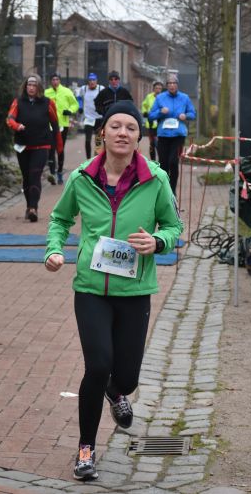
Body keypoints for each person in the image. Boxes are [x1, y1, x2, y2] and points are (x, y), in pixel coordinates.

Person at [44, 101, 183, 481]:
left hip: (135, 291)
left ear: (140, 137)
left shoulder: (156, 179)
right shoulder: (81, 178)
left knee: (128, 378)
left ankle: (116, 392)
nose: (123, 133)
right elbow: (59, 219)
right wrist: (54, 249)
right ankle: (86, 449)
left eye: (131, 128)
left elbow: (174, 226)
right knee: (98, 365)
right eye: (116, 126)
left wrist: (158, 241)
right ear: (102, 133)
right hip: (91, 288)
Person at [6, 75, 63, 222]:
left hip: (41, 144)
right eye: (29, 85)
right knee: (26, 177)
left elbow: (55, 124)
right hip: (23, 145)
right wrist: (17, 126)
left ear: (39, 87)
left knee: (35, 175)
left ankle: (33, 208)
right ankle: (29, 206)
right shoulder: (18, 102)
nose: (31, 88)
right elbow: (10, 119)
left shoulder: (48, 103)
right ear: (25, 87)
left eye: (34, 85)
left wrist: (59, 145)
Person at [149, 74, 196, 195]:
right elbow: (151, 115)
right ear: (167, 86)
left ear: (177, 85)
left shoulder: (184, 98)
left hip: (178, 135)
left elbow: (192, 114)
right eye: (169, 83)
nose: (172, 85)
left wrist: (186, 115)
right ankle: (164, 190)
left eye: (174, 83)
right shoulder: (160, 98)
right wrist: (160, 112)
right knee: (163, 163)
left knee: (173, 162)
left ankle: (172, 190)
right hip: (163, 135)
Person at [45, 73, 80, 185]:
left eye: (57, 79)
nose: (55, 81)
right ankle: (52, 173)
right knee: (51, 149)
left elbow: (75, 104)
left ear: (60, 81)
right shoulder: (46, 93)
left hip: (62, 125)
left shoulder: (67, 91)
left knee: (60, 149)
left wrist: (70, 110)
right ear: (50, 81)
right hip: (50, 125)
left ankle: (59, 171)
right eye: (53, 79)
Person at [79, 73, 104, 159]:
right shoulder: (84, 89)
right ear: (88, 81)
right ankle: (88, 159)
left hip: (99, 118)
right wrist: (80, 106)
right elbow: (79, 98)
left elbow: (105, 99)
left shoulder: (101, 88)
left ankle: (97, 159)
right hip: (88, 118)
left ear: (96, 81)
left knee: (98, 141)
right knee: (87, 140)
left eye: (93, 80)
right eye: (90, 80)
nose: (92, 82)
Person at [141, 81, 164, 161]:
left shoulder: (164, 98)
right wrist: (144, 112)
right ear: (153, 89)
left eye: (160, 88)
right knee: (152, 144)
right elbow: (144, 105)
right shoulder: (149, 97)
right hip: (151, 123)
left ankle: (161, 160)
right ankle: (153, 161)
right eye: (156, 88)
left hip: (160, 123)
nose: (158, 90)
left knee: (159, 144)